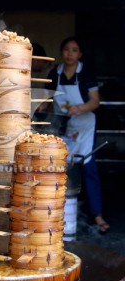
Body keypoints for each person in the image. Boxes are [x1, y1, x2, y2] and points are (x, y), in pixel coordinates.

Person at [46, 36, 110, 233]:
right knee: (59, 168)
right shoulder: (54, 73)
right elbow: (46, 97)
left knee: (88, 169)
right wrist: (40, 105)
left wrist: (79, 108)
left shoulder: (86, 73)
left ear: (80, 54)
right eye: (66, 49)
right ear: (61, 52)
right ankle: (55, 214)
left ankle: (97, 216)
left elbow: (95, 102)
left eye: (74, 50)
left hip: (84, 127)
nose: (69, 54)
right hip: (63, 127)